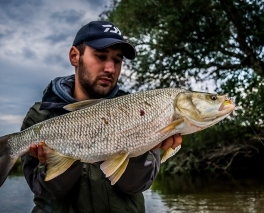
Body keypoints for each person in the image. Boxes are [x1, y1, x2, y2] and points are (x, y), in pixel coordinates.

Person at [21, 20, 182, 213]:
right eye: (101, 56)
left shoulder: (142, 110)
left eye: (117, 59)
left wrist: (140, 148)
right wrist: (64, 157)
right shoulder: (41, 114)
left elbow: (137, 185)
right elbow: (43, 190)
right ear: (74, 56)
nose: (110, 68)